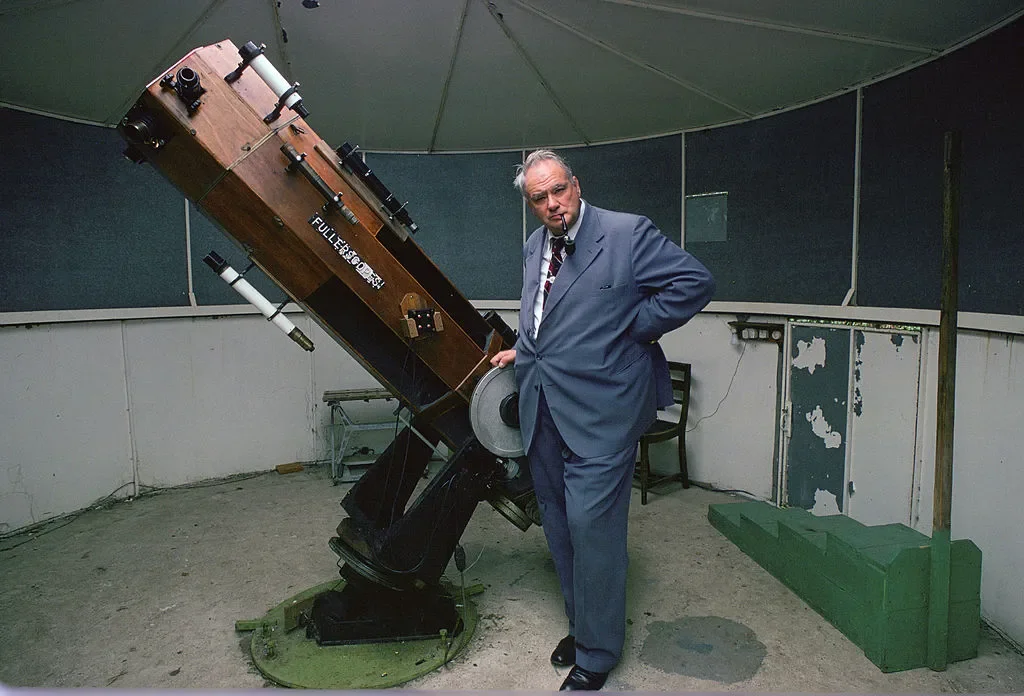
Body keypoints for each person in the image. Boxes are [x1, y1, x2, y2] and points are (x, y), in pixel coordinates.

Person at [490, 150, 715, 691]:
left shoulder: (626, 233)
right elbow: (545, 313)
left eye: (558, 191)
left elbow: (694, 282)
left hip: (603, 411)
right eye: (538, 198)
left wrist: (635, 327)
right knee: (559, 523)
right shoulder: (533, 245)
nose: (551, 204)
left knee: (594, 529)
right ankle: (583, 624)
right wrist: (522, 351)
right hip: (542, 405)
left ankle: (597, 652)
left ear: (576, 184)